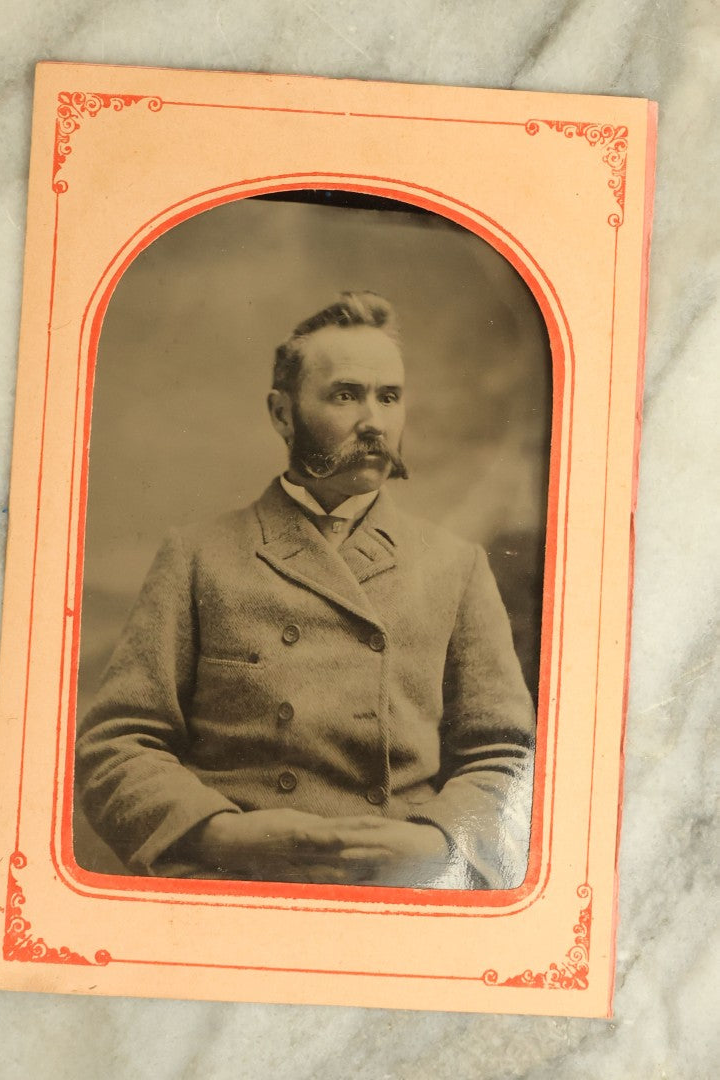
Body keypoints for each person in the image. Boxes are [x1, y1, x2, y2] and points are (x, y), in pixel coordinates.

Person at [76, 291, 536, 890]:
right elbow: (118, 744)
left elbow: (505, 757)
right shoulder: (198, 557)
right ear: (282, 413)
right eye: (346, 395)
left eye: (388, 397)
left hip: (400, 888)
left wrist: (434, 844)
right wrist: (217, 834)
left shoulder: (456, 567)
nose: (374, 421)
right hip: (232, 881)